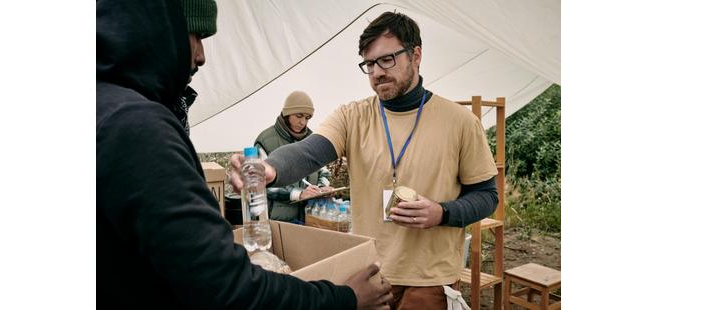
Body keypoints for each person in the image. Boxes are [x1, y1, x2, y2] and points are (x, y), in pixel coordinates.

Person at [96, 0, 392, 308]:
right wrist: (344, 298)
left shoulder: (104, 107)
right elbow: (227, 287)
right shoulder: (135, 127)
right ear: (155, 29)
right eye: (194, 35)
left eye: (387, 61)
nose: (201, 55)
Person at [229, 11, 499, 309]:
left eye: (387, 59)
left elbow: (487, 196)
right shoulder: (353, 116)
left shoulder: (459, 122)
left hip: (431, 280)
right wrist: (269, 168)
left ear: (416, 55)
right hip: (368, 274)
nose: (377, 72)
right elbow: (310, 151)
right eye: (369, 64)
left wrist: (442, 213)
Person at [253, 91, 334, 223]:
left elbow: (323, 171)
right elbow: (260, 183)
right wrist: (299, 194)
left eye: (307, 118)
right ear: (287, 114)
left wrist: (321, 188)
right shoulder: (265, 140)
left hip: (310, 218)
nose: (303, 122)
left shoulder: (313, 139)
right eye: (299, 116)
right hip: (279, 222)